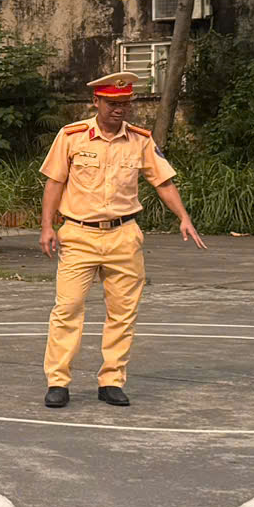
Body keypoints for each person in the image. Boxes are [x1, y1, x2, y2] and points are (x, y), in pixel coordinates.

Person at [38, 71, 207, 409]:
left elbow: (163, 182)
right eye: (113, 103)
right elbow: (54, 182)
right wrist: (47, 226)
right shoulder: (71, 137)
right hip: (79, 234)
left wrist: (184, 217)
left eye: (125, 103)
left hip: (124, 236)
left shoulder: (141, 140)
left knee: (122, 313)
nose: (120, 110)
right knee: (68, 308)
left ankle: (111, 380)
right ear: (96, 102)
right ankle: (58, 381)